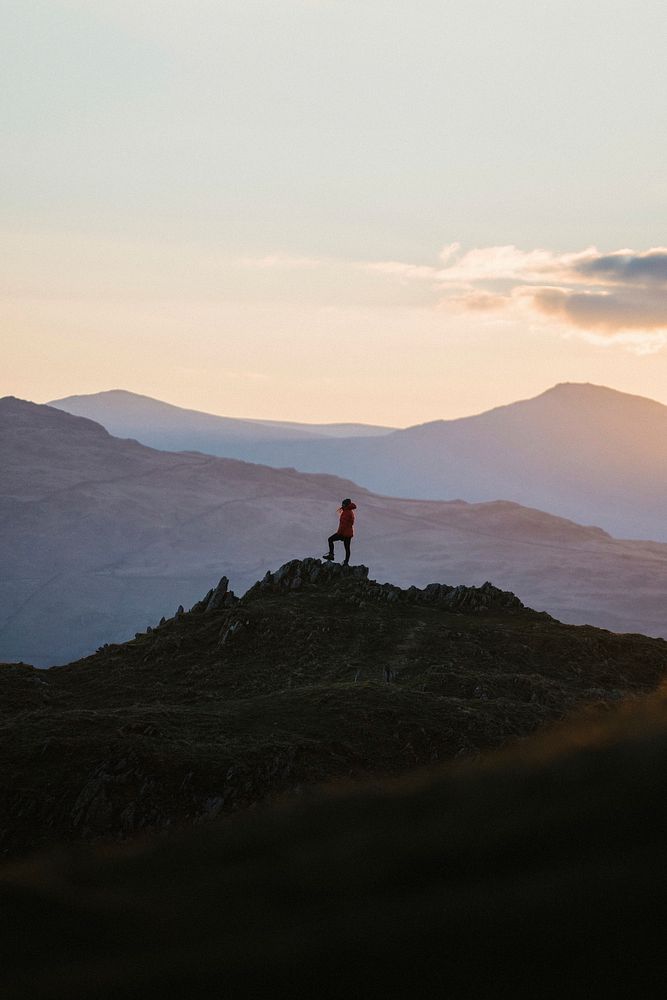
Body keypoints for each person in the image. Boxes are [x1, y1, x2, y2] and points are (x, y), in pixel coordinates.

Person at [324, 499, 357, 565]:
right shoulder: (349, 512)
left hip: (343, 533)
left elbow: (343, 524)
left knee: (330, 539)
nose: (342, 505)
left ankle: (331, 555)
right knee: (347, 548)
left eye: (343, 504)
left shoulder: (347, 512)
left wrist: (339, 533)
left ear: (346, 504)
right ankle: (346, 562)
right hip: (348, 533)